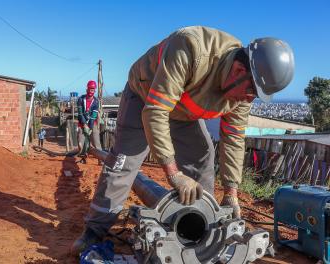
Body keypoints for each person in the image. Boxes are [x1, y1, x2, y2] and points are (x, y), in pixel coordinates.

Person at [71, 26, 294, 255]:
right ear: (238, 70)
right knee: (123, 163)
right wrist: (174, 174)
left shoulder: (245, 88)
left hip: (184, 111)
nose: (250, 98)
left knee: (203, 156)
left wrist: (231, 192)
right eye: (251, 92)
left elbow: (234, 139)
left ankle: (203, 229)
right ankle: (94, 230)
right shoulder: (191, 48)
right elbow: (155, 111)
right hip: (145, 97)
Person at [77, 80, 102, 153]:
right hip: (82, 123)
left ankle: (101, 159)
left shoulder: (96, 102)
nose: (91, 91)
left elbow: (93, 117)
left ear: (95, 91)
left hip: (92, 123)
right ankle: (82, 154)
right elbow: (80, 114)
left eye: (93, 89)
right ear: (86, 89)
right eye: (90, 89)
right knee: (80, 142)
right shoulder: (80, 99)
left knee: (96, 142)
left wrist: (90, 128)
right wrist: (84, 125)